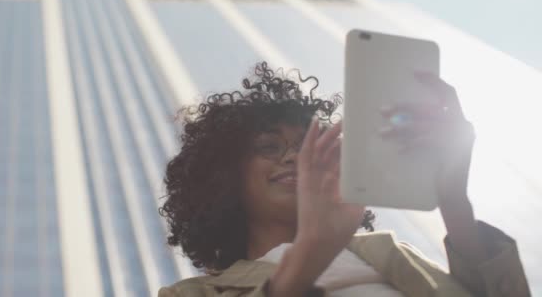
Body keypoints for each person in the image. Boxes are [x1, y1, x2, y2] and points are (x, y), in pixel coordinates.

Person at [158, 62, 530, 297]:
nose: (293, 156)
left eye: (308, 145)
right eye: (269, 146)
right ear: (226, 176)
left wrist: (454, 201)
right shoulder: (192, 293)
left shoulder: (392, 253)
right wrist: (308, 256)